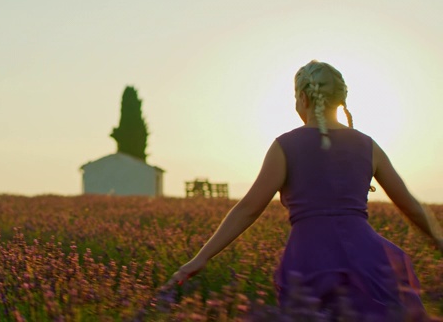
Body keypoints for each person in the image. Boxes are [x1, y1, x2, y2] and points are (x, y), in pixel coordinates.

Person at [166, 60, 443, 320]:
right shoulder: (369, 146)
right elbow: (409, 205)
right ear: (340, 98)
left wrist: (201, 257)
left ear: (303, 98)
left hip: (311, 260)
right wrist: (438, 240)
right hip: (367, 257)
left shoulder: (285, 147)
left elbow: (248, 209)